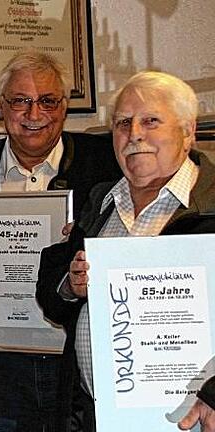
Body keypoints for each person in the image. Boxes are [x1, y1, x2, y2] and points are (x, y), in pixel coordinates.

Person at [0, 50, 122, 431]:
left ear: (65, 107)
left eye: (48, 100)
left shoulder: (108, 166)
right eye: (20, 101)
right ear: (1, 109)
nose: (34, 114)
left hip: (83, 372)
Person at [37, 71, 215, 431]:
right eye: (122, 123)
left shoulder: (210, 204)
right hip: (96, 416)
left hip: (188, 421)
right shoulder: (101, 201)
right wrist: (70, 286)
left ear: (187, 131)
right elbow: (52, 297)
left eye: (151, 120)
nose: (134, 134)